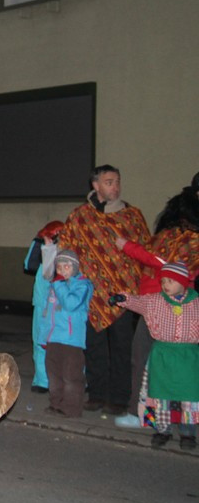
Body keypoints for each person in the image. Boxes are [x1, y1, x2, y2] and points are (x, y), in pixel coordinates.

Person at [58, 165, 149, 415]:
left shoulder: (132, 216)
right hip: (90, 293)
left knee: (122, 347)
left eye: (117, 181)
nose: (115, 187)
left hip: (123, 293)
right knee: (94, 346)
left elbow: (145, 252)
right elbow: (66, 250)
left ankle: (120, 397)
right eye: (109, 182)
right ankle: (97, 393)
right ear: (96, 186)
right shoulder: (79, 216)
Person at [112, 172, 199, 427]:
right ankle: (144, 416)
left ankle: (184, 424)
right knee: (143, 361)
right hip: (153, 302)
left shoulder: (193, 238)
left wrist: (127, 246)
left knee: (181, 369)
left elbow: (168, 265)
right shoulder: (172, 231)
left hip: (180, 307)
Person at [111, 261, 199, 450]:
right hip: (162, 354)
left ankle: (188, 433)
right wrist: (123, 298)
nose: (166, 285)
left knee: (189, 396)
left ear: (183, 282)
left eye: (171, 281)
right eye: (164, 281)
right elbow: (137, 301)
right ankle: (161, 430)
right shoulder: (155, 301)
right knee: (159, 394)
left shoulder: (196, 303)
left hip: (188, 356)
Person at [33, 245, 93, 418]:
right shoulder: (56, 287)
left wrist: (59, 285)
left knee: (71, 376)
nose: (62, 270)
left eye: (66, 266)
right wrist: (44, 338)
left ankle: (72, 408)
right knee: (54, 375)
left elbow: (71, 304)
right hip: (53, 339)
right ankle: (56, 404)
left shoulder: (82, 286)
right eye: (59, 267)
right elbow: (47, 313)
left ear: (75, 268)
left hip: (70, 340)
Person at [25, 220, 65, 393]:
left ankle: (71, 378)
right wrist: (43, 246)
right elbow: (29, 265)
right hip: (43, 304)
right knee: (41, 341)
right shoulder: (39, 244)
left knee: (66, 342)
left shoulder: (69, 252)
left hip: (63, 305)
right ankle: (43, 379)